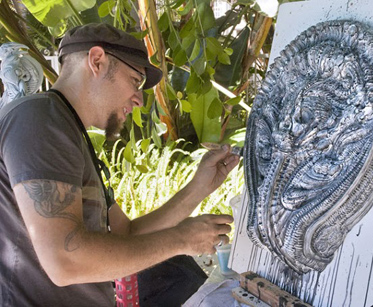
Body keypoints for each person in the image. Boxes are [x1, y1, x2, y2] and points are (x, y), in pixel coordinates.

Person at [0, 23, 239, 306]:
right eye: (134, 81)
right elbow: (64, 261)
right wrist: (181, 240)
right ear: (97, 61)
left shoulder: (68, 130)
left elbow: (126, 234)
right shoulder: (40, 119)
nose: (138, 99)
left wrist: (199, 187)